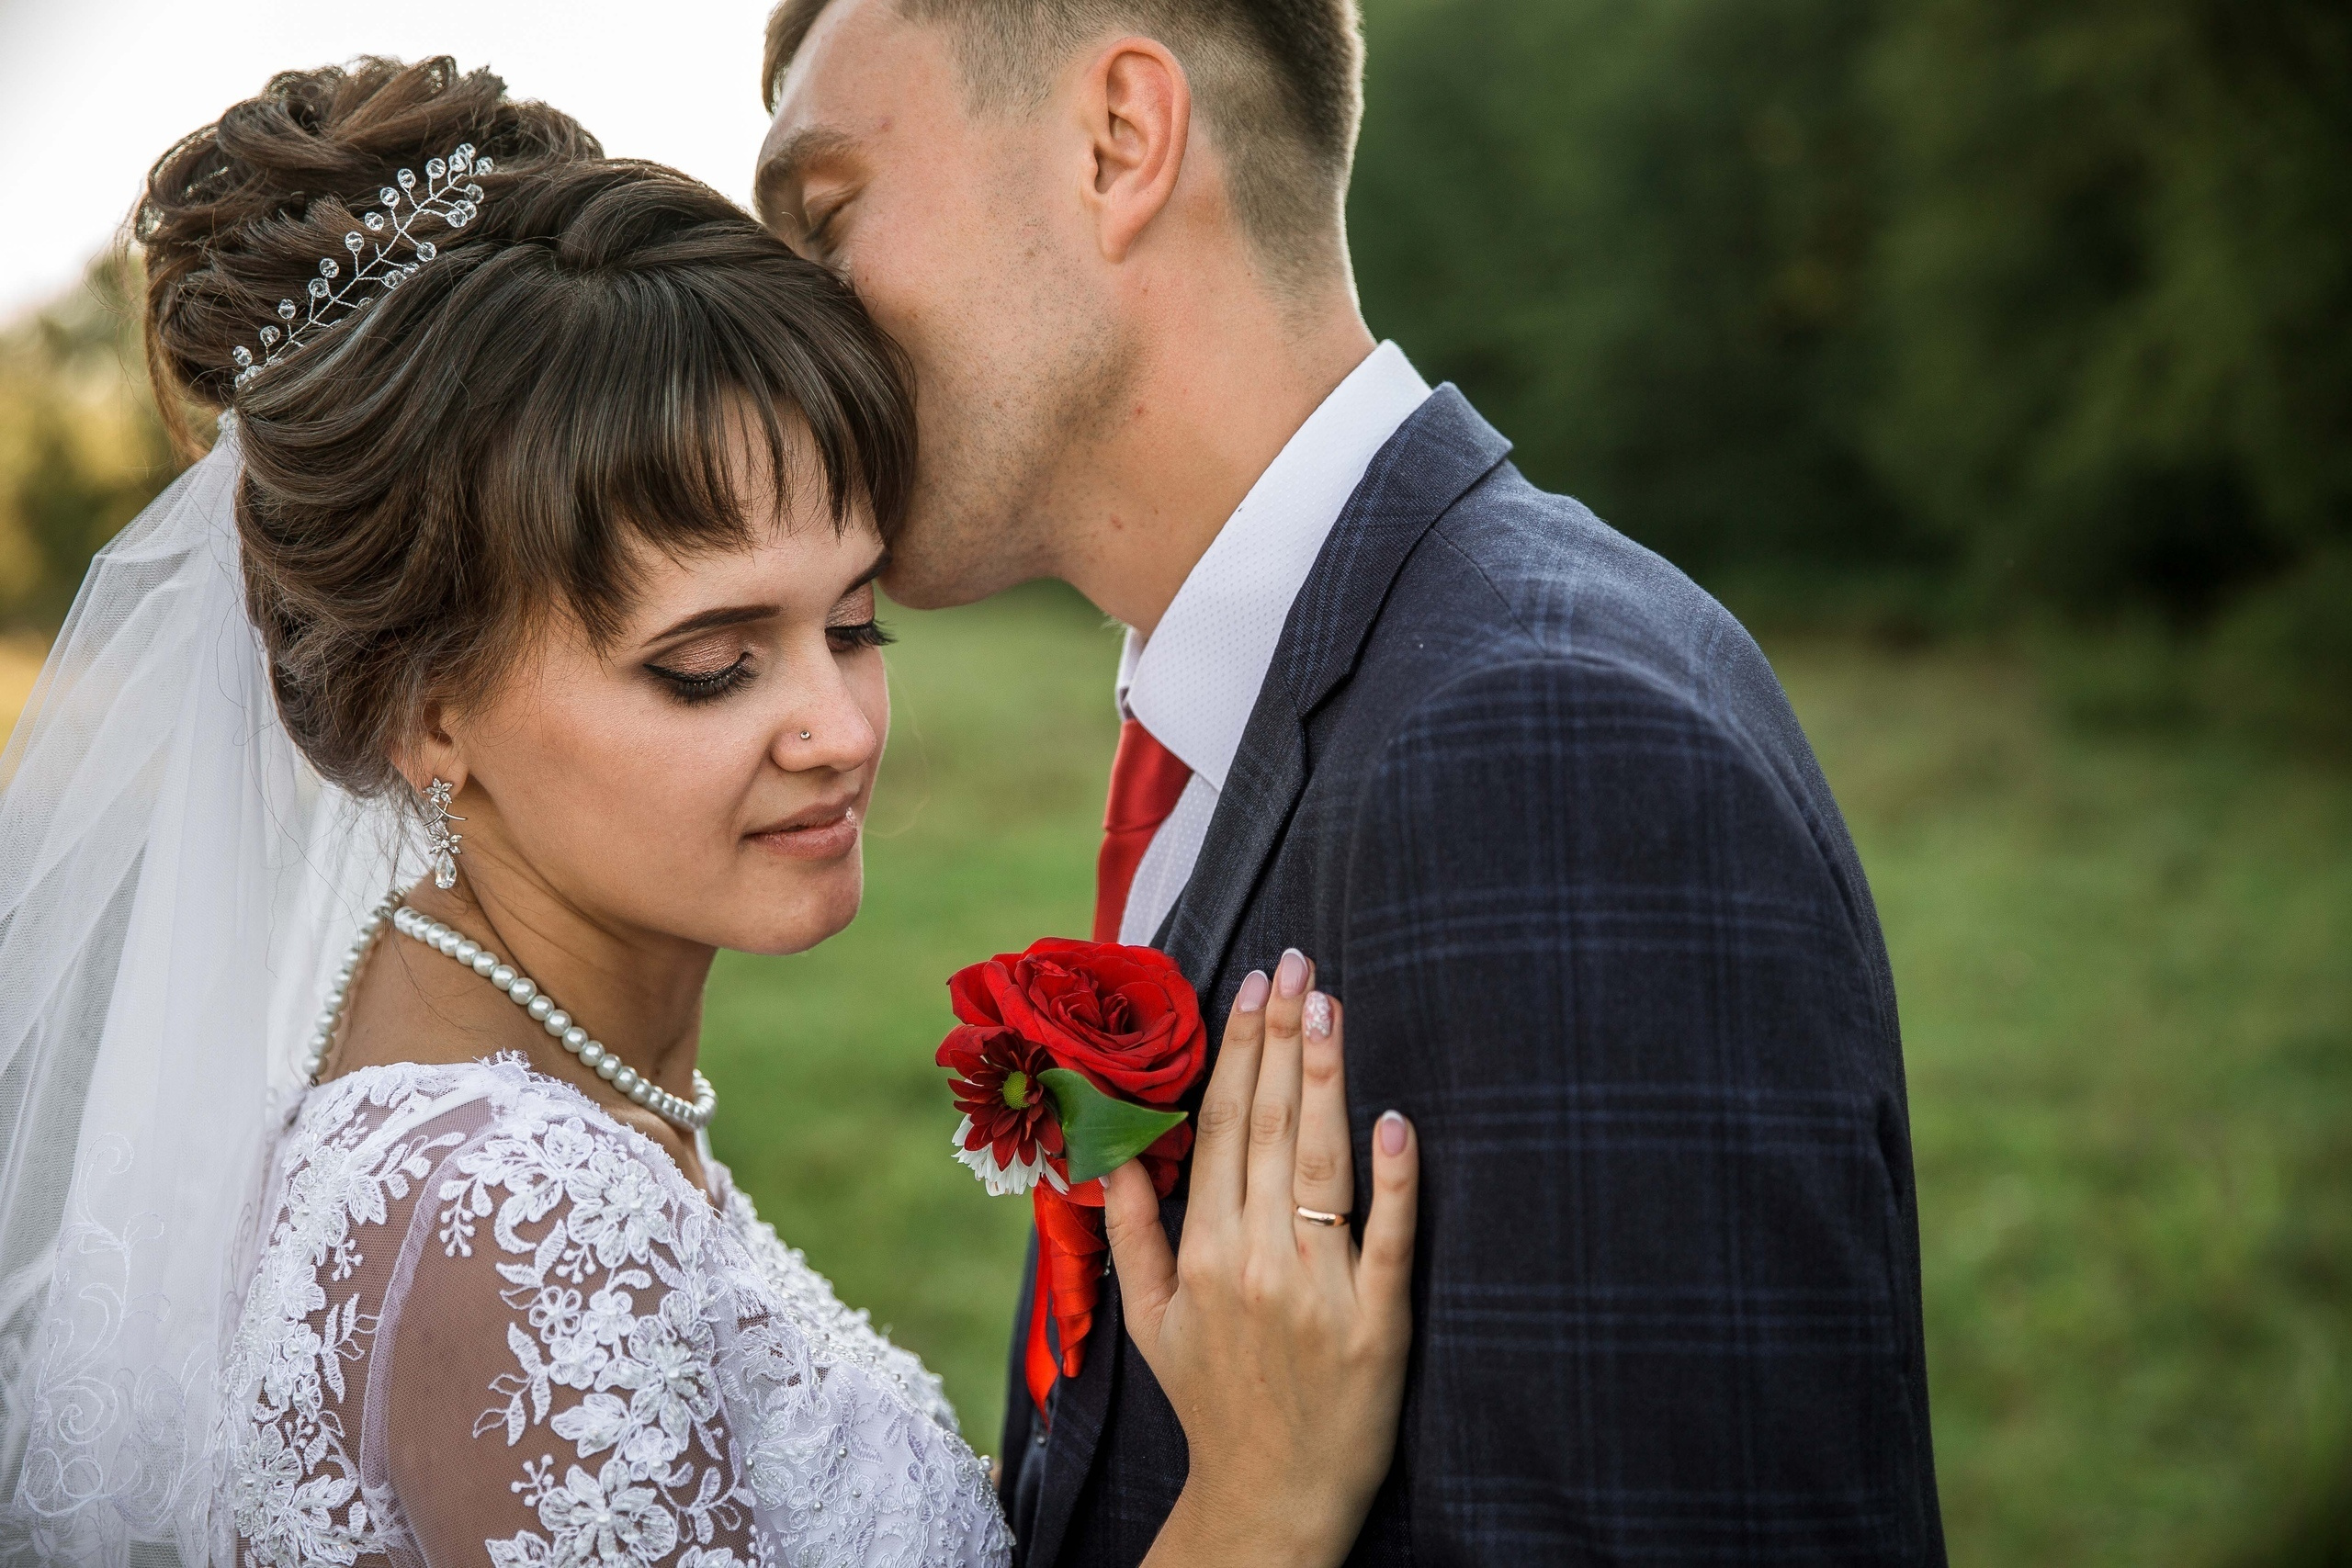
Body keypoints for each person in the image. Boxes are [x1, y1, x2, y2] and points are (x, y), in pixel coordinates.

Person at [0, 58, 1421, 1568]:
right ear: (429, 712)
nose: (839, 728)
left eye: (856, 624)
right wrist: (1260, 1501)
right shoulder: (516, 1224)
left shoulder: (518, 1107)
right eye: (712, 666)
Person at [755, 2, 1946, 1564]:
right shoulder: (1270, 701)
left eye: (827, 219)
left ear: (1119, 142)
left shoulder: (1547, 751)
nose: (794, 330)